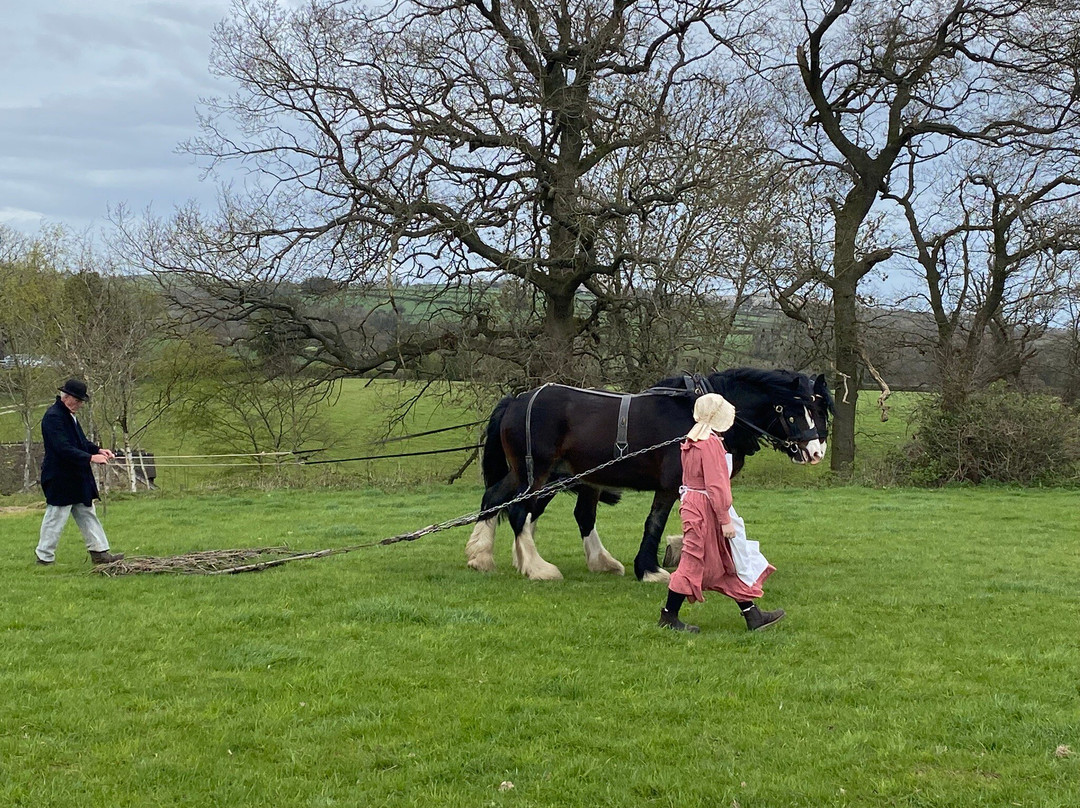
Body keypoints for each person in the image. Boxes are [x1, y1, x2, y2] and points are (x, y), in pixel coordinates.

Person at [658, 393, 785, 633]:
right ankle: (669, 617)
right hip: (705, 508)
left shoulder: (691, 440)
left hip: (694, 504)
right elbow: (716, 485)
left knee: (725, 560)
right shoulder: (710, 444)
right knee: (692, 562)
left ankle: (752, 615)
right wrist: (725, 519)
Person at [35, 378, 124, 566]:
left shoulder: (69, 415)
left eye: (81, 401)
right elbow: (62, 448)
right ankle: (44, 558)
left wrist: (98, 450)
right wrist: (90, 458)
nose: (80, 404)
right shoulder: (53, 417)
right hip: (59, 477)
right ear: (66, 397)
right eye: (78, 400)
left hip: (77, 476)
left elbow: (81, 442)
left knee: (87, 512)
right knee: (56, 516)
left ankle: (100, 553)